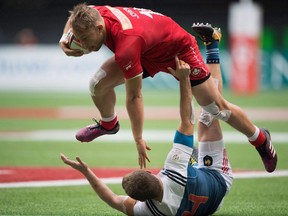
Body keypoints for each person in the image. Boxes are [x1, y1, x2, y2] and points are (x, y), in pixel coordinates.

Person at [59, 3, 277, 172]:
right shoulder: (92, 14)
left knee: (214, 108)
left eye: (86, 39)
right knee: (97, 84)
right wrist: (64, 39)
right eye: (79, 39)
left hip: (177, 50)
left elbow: (134, 97)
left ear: (99, 27)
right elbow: (73, 16)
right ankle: (109, 124)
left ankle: (259, 138)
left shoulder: (126, 44)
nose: (84, 45)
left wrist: (138, 138)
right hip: (147, 49)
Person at [61, 55, 233, 215]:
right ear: (150, 172)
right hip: (218, 180)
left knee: (192, 153)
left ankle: (194, 158)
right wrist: (184, 79)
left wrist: (86, 172)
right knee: (208, 116)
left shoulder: (147, 211)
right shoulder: (174, 170)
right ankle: (212, 47)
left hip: (212, 206)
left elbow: (113, 199)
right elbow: (188, 121)